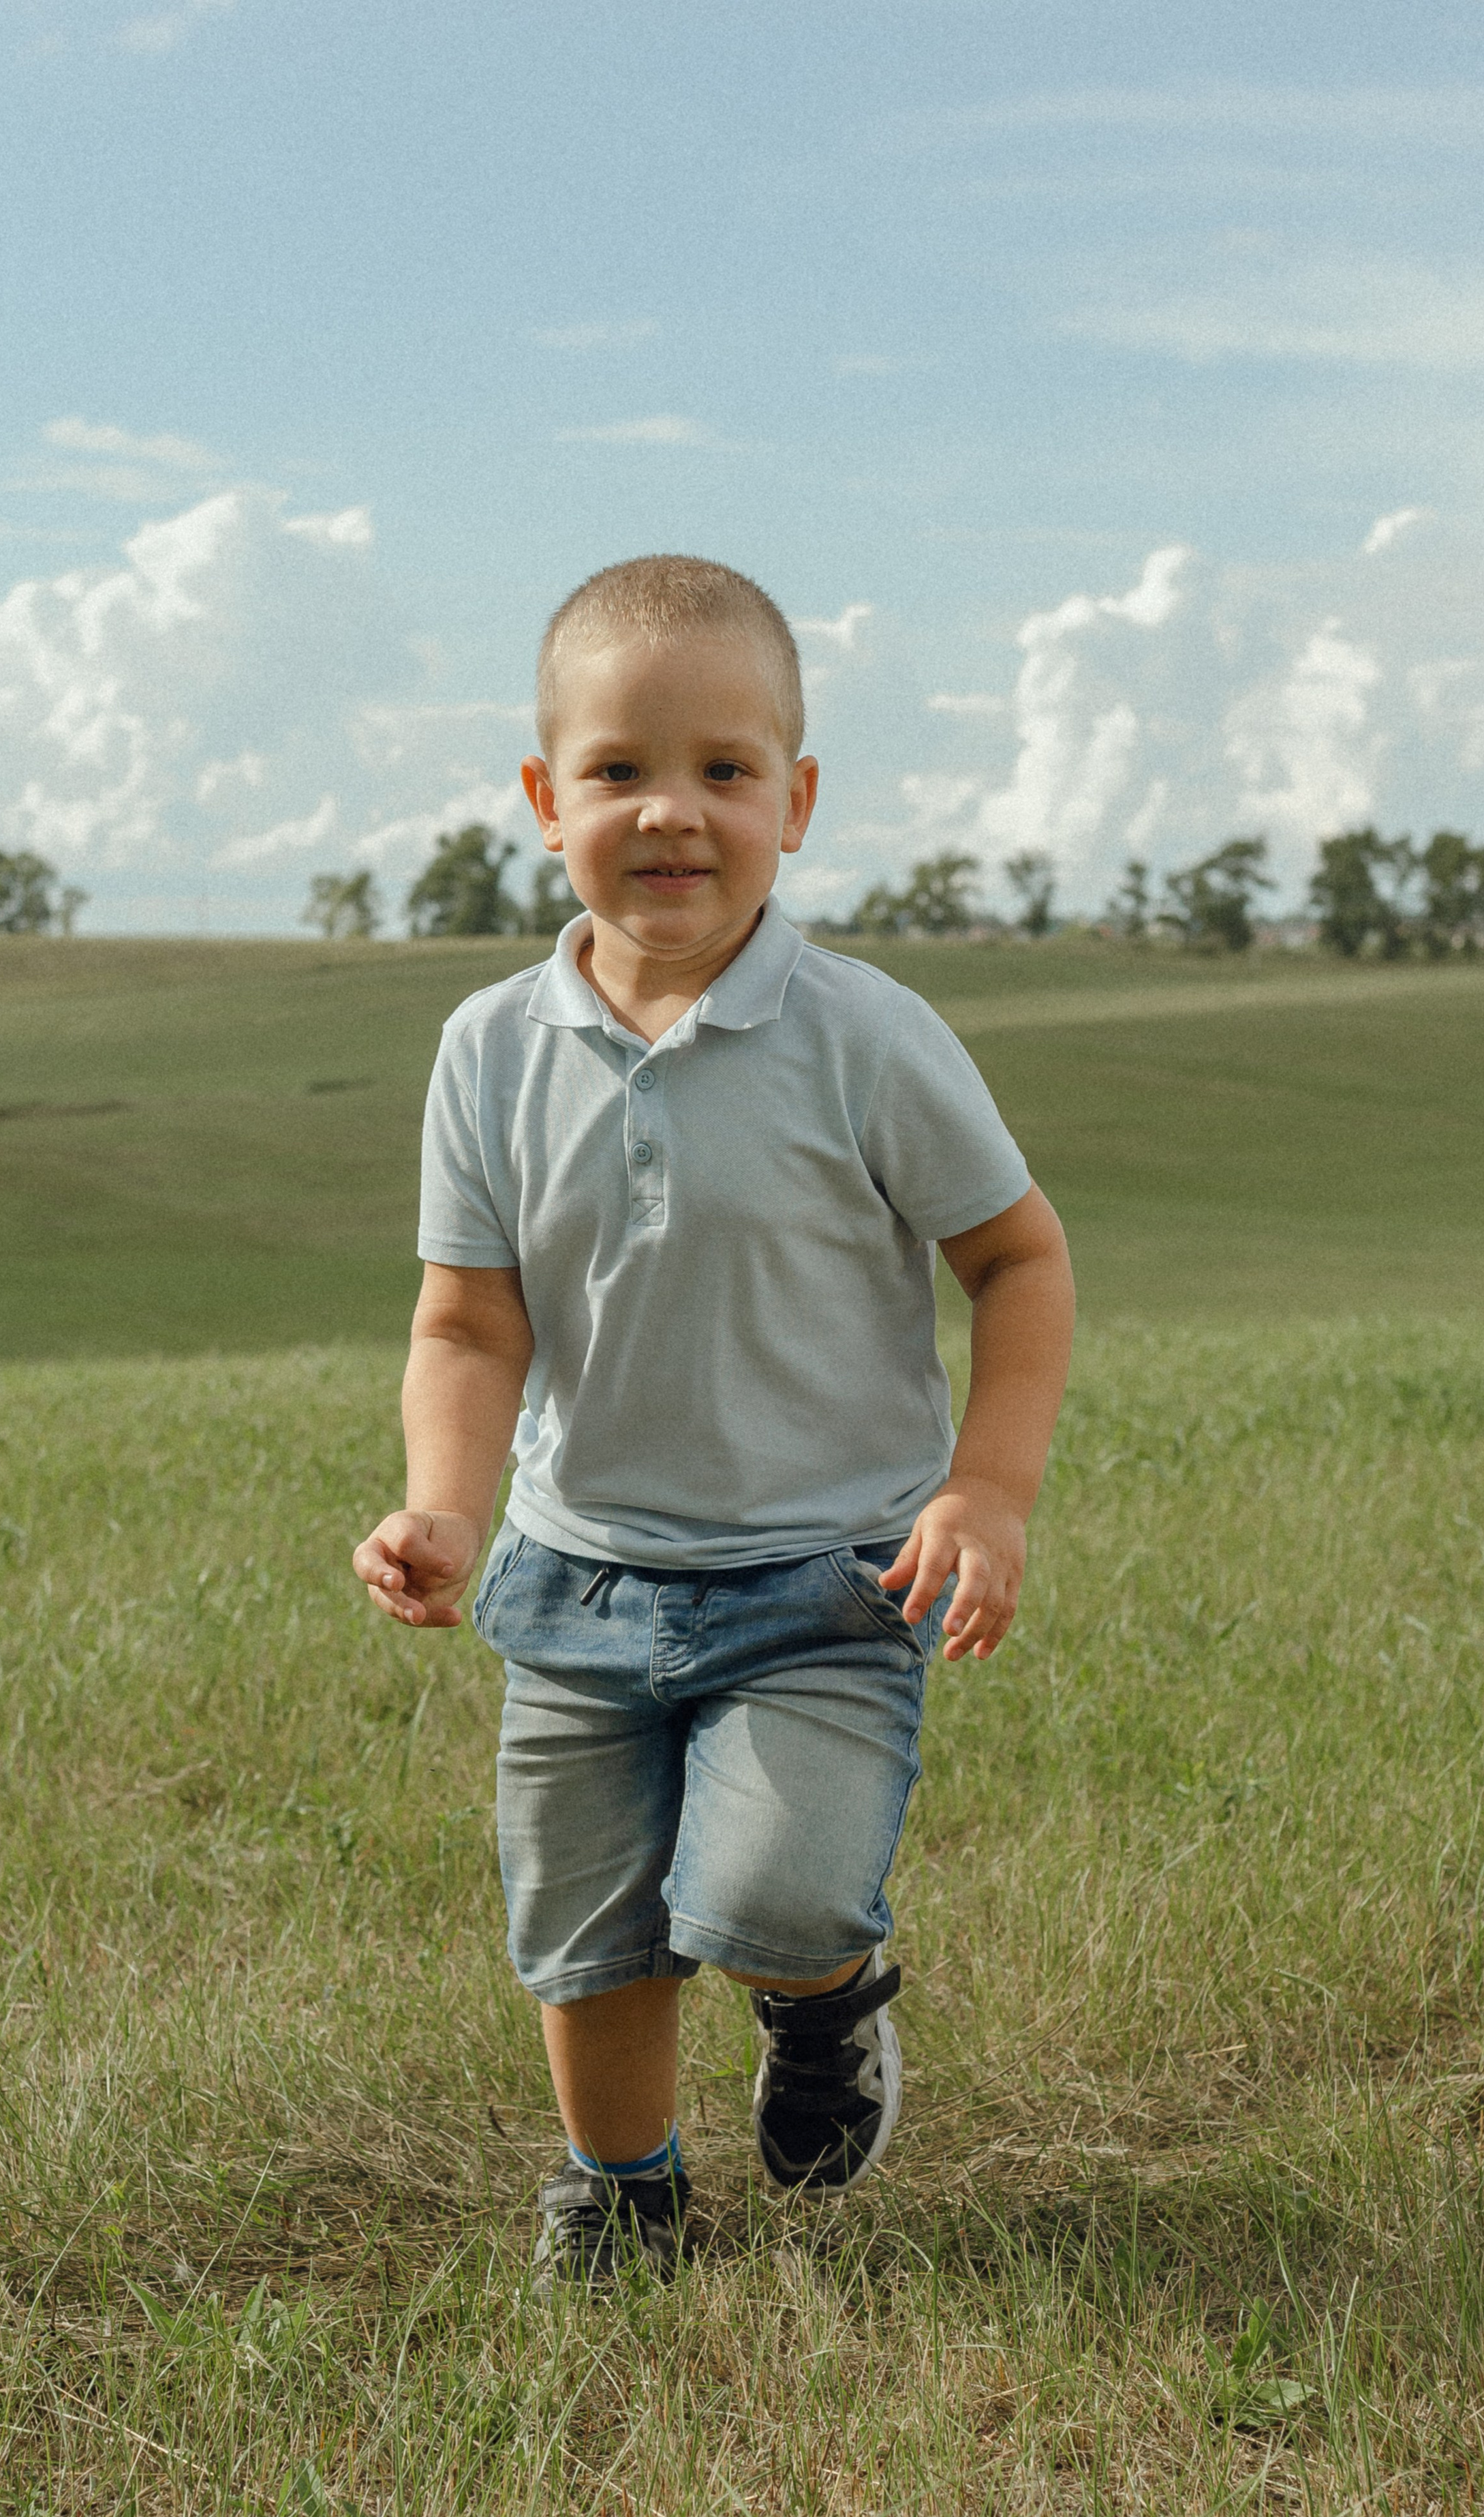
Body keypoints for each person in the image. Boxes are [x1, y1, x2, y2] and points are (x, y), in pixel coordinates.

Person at [352, 555, 1074, 2284]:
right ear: (544, 800)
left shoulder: (860, 1036)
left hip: (827, 1577)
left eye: (725, 771)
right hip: (579, 1576)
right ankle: (625, 2189)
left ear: (795, 803)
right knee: (585, 1928)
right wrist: (446, 1506)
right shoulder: (489, 1048)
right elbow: (467, 1320)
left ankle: (822, 2002)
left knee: (768, 1901)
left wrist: (986, 1486)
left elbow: (1018, 1258)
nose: (670, 810)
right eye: (617, 770)